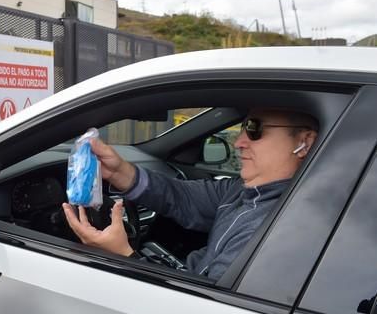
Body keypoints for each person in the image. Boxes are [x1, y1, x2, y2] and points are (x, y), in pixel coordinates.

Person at [63, 108, 318, 281]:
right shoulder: (240, 190)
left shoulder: (282, 226)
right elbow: (180, 196)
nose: (239, 142)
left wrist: (125, 257)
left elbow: (207, 310)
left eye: (255, 129)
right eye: (242, 127)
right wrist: (119, 171)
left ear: (304, 142)